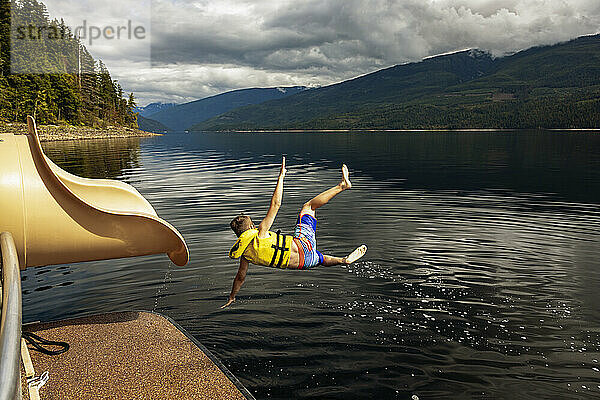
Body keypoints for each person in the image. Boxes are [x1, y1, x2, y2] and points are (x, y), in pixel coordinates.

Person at [222, 157, 367, 308]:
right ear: (251, 226)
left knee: (322, 259)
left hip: (305, 263)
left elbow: (240, 277)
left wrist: (232, 296)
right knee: (308, 207)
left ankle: (344, 261)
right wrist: (281, 177)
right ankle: (342, 186)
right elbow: (276, 204)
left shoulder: (244, 254)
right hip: (304, 245)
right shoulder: (260, 233)